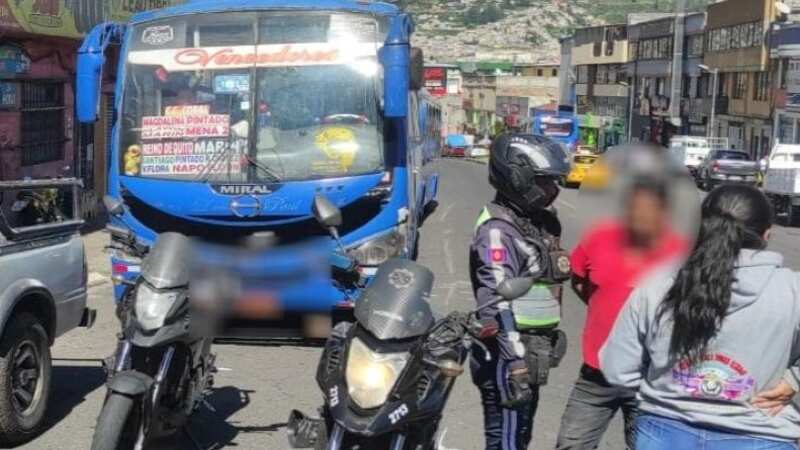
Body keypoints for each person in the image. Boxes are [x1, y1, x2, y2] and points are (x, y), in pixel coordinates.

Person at [601, 184, 800, 450]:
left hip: (665, 431)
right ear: (767, 234)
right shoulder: (793, 289)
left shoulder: (661, 283)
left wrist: (667, 391)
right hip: (760, 433)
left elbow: (617, 369)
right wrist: (794, 380)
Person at [555, 177, 687, 449]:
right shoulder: (599, 239)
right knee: (570, 444)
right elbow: (579, 281)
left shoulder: (680, 251)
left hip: (650, 379)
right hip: (597, 373)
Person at [470, 134, 571, 450]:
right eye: (544, 181)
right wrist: (516, 364)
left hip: (529, 351)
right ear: (518, 177)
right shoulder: (498, 231)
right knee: (507, 441)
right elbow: (496, 302)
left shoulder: (531, 222)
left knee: (520, 437)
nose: (552, 190)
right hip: (507, 355)